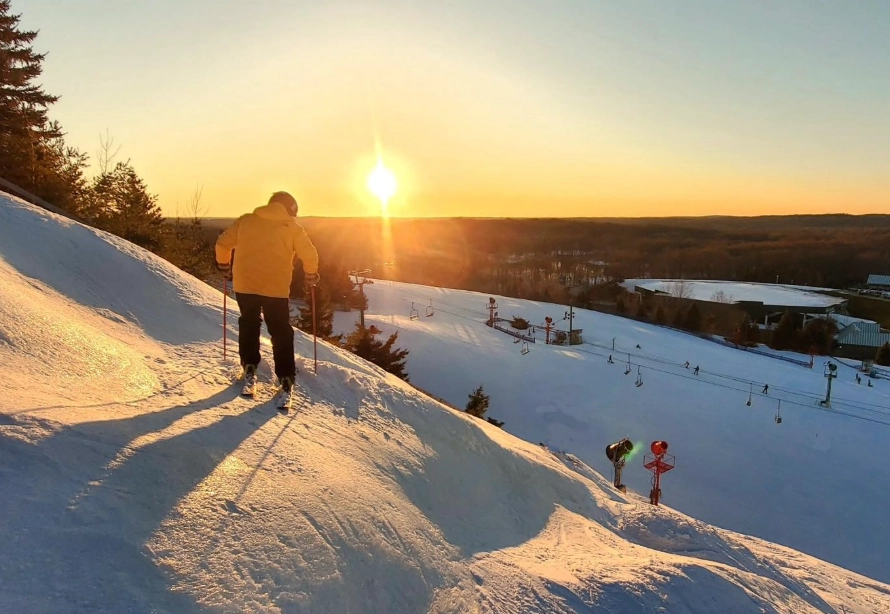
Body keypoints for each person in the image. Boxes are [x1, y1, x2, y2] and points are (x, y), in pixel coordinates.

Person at [215, 191, 319, 405]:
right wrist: (311, 275)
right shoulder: (292, 227)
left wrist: (224, 265)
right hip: (276, 288)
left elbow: (222, 244)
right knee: (280, 331)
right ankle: (286, 380)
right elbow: (309, 254)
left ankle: (249, 368)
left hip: (246, 285)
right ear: (290, 209)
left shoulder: (246, 221)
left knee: (249, 323)